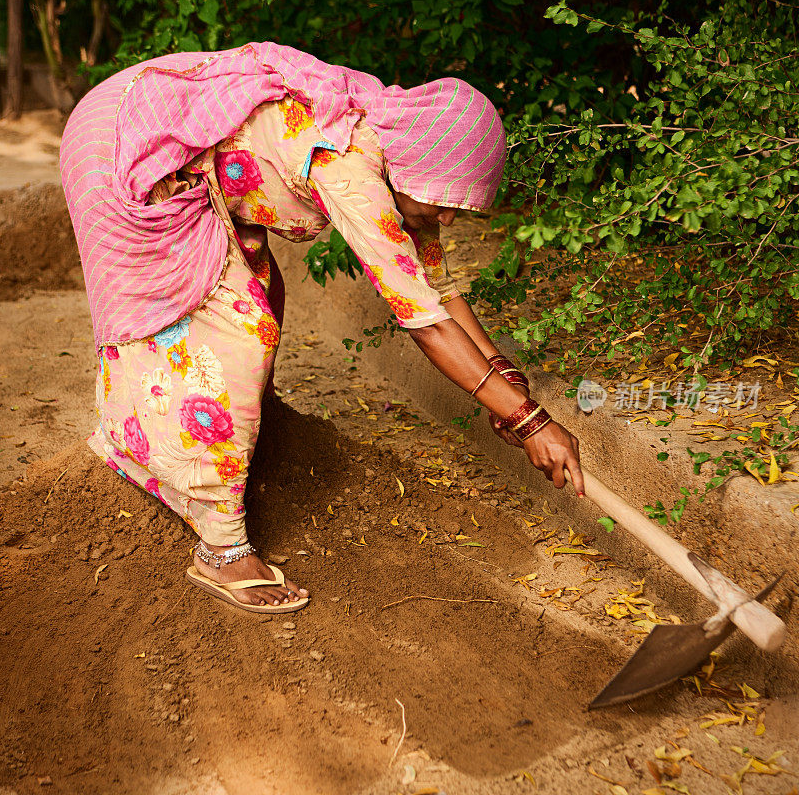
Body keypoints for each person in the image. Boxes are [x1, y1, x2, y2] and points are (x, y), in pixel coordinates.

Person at [60, 41, 584, 615]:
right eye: (447, 203)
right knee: (237, 331)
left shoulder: (397, 156)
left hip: (159, 137)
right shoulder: (346, 161)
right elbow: (423, 323)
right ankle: (221, 547)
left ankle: (224, 440)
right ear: (424, 168)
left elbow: (437, 291)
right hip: (122, 144)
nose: (450, 217)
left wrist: (504, 382)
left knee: (260, 292)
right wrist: (529, 422)